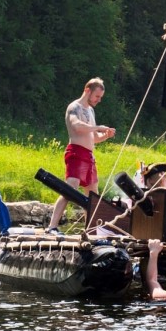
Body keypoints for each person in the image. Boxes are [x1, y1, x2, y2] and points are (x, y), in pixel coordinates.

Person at [49, 78, 116, 231]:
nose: (99, 100)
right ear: (87, 91)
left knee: (93, 196)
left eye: (100, 97)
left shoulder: (91, 111)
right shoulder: (74, 107)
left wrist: (105, 135)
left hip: (89, 156)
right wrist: (98, 127)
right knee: (70, 190)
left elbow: (93, 138)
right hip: (76, 153)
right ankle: (52, 226)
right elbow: (77, 126)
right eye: (97, 96)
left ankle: (90, 230)